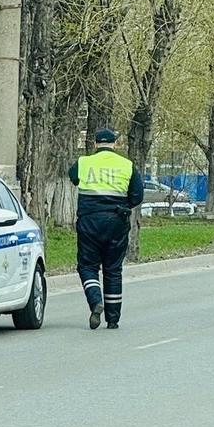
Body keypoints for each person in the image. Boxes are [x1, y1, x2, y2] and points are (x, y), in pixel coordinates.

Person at [68, 129, 144, 330]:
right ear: (115, 145)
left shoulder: (84, 163)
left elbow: (73, 178)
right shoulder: (127, 165)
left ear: (95, 144)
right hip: (117, 221)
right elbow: (137, 196)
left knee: (87, 266)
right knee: (113, 270)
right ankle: (113, 319)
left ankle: (95, 301)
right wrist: (122, 206)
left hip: (90, 220)